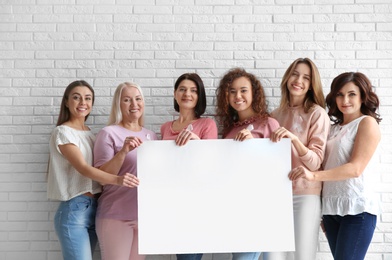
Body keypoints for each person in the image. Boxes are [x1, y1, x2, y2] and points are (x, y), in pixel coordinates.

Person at [288, 72, 381, 260]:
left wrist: (312, 176)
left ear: (363, 96)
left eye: (352, 94)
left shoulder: (366, 123)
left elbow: (355, 169)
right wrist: (324, 209)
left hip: (357, 209)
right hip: (332, 210)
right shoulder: (333, 128)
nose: (345, 100)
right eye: (339, 94)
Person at [47, 80, 138, 260]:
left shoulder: (91, 134)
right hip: (74, 209)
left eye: (88, 98)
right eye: (76, 97)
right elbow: (83, 168)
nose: (83, 103)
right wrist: (118, 180)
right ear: (66, 102)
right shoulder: (63, 132)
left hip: (94, 208)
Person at [265, 58, 330, 260]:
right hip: (276, 194)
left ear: (312, 85)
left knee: (302, 256)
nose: (298, 80)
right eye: (295, 73)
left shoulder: (317, 114)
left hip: (305, 195)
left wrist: (294, 139)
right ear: (287, 77)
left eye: (306, 77)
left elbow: (315, 162)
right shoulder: (274, 116)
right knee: (273, 256)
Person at [216, 68, 280, 260]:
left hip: (260, 205)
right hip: (235, 206)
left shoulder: (269, 124)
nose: (238, 96)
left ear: (254, 93)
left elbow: (279, 165)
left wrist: (254, 146)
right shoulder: (229, 129)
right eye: (232, 91)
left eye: (243, 90)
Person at [93, 82, 158, 260]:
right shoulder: (108, 133)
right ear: (119, 105)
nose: (134, 104)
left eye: (138, 99)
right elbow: (102, 177)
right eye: (127, 100)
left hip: (143, 217)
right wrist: (123, 151)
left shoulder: (151, 136)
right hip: (115, 215)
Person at [161, 73, 218, 260]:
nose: (187, 94)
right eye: (182, 89)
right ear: (175, 94)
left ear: (199, 96)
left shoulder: (207, 124)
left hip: (196, 202)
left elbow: (212, 164)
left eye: (194, 90)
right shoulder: (165, 127)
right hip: (171, 200)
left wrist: (196, 143)